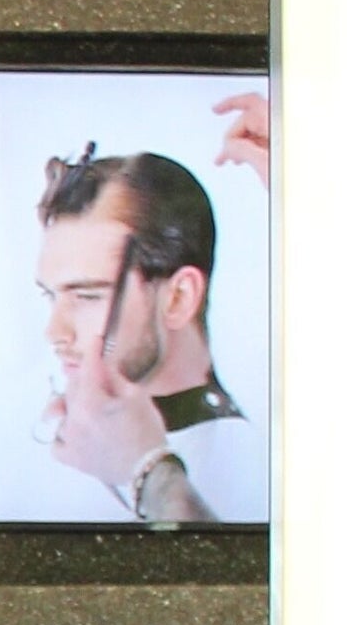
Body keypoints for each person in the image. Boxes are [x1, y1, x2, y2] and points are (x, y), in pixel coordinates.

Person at [34, 142, 260, 526]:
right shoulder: (56, 467)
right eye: (50, 296)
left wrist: (146, 468)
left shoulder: (262, 478)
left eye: (87, 295)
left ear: (177, 297)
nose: (54, 333)